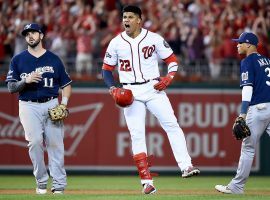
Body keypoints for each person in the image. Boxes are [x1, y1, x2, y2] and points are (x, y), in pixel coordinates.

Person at [102, 5, 200, 195]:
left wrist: (168, 78)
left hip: (153, 87)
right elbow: (106, 69)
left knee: (172, 124)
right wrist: (112, 88)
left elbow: (172, 60)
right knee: (137, 134)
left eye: (130, 17)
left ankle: (186, 166)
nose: (126, 20)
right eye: (124, 17)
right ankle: (147, 182)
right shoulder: (116, 42)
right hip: (130, 90)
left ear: (139, 19)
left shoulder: (154, 38)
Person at [5, 23, 72, 195]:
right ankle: (41, 182)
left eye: (34, 32)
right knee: (34, 143)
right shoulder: (18, 59)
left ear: (41, 36)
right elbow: (11, 88)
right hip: (28, 105)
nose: (30, 36)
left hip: (51, 103)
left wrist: (63, 104)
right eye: (27, 34)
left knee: (55, 144)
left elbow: (66, 84)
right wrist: (25, 81)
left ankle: (58, 185)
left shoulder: (54, 59)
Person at [215, 32, 270, 194]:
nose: (237, 45)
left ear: (249, 45)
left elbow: (247, 88)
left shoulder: (248, 61)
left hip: (258, 108)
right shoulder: (268, 61)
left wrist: (242, 114)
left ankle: (237, 187)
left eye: (240, 42)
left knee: (248, 149)